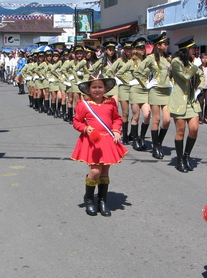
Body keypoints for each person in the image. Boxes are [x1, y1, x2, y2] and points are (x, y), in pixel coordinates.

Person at [71, 72, 128, 217]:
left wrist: (116, 131)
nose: (97, 90)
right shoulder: (83, 105)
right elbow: (76, 121)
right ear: (89, 89)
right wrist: (85, 128)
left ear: (105, 89)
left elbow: (117, 118)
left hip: (108, 140)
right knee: (95, 171)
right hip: (92, 142)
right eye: (94, 87)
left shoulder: (110, 103)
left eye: (100, 87)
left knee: (104, 172)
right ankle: (89, 199)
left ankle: (103, 200)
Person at [167, 36, 204, 173]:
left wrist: (197, 89)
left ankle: (187, 155)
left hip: (190, 100)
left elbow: (201, 75)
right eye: (192, 48)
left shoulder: (191, 62)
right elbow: (185, 76)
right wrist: (195, 66)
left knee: (194, 129)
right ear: (186, 49)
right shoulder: (176, 62)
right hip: (179, 100)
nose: (194, 51)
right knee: (181, 131)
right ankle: (179, 159)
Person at [133, 32, 171, 159]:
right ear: (158, 45)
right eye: (165, 44)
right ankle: (156, 146)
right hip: (155, 92)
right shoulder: (150, 58)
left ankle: (158, 142)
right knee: (156, 119)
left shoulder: (166, 59)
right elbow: (138, 72)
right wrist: (146, 85)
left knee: (167, 120)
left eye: (167, 44)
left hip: (166, 92)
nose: (167, 46)